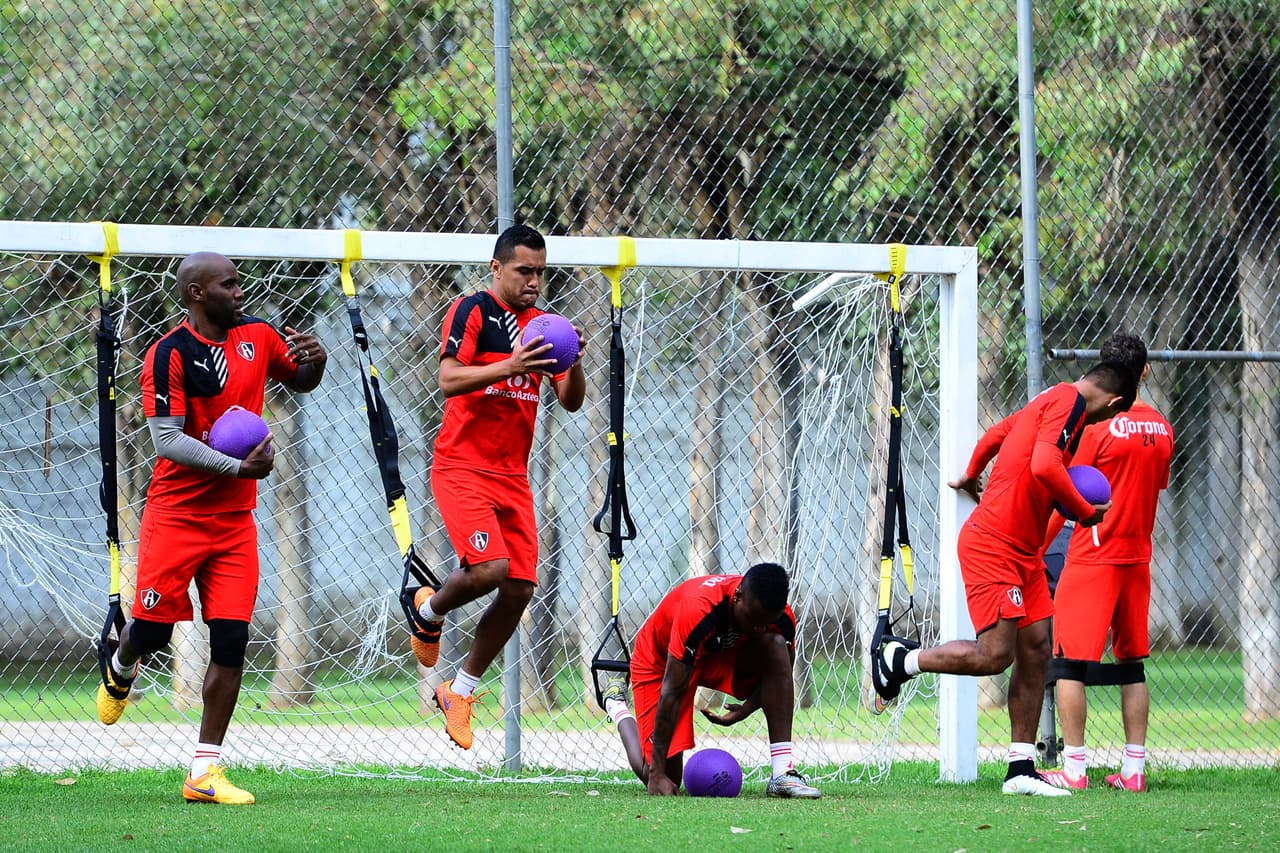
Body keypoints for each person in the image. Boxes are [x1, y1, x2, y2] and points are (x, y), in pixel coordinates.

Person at [95, 251, 327, 805]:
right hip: (175, 516)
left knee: (231, 640)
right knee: (150, 634)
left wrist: (316, 361)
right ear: (197, 294)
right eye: (228, 285)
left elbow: (302, 381)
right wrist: (237, 467)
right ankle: (121, 663)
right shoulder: (167, 354)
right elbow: (167, 441)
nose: (239, 293)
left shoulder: (259, 337)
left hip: (234, 524)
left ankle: (204, 771)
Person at [872, 361, 1138, 796]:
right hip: (994, 543)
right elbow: (1045, 466)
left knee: (1035, 648)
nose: (1105, 421)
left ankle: (1020, 769)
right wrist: (1085, 511)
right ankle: (900, 660)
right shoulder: (1069, 403)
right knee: (996, 655)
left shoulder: (1051, 399)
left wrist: (974, 471)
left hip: (1024, 552)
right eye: (1111, 416)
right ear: (1113, 403)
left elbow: (998, 434)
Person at [409, 223, 585, 750]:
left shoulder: (545, 325)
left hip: (513, 476)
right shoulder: (472, 311)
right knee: (490, 568)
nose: (534, 281)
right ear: (496, 268)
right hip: (461, 466)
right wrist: (509, 364)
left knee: (520, 588)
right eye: (523, 271)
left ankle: (459, 692)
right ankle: (427, 611)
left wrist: (572, 357)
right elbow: (447, 379)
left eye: (541, 272)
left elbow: (571, 401)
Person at [1040, 333, 1173, 793]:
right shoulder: (1162, 427)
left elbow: (1071, 490)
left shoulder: (1096, 425)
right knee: (1132, 665)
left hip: (1093, 556)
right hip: (1138, 558)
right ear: (1146, 372)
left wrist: (1038, 543)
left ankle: (1074, 769)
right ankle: (1133, 771)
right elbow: (1156, 487)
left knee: (1068, 665)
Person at [600, 562, 821, 799]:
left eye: (766, 622)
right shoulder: (699, 609)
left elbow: (779, 675)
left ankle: (782, 773)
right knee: (665, 777)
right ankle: (616, 704)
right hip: (661, 662)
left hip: (718, 655)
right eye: (754, 620)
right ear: (737, 597)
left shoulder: (781, 617)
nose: (759, 629)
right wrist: (656, 774)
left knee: (776, 646)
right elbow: (672, 691)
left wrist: (747, 708)